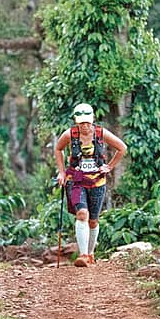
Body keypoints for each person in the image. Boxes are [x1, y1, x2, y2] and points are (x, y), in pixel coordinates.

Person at [54, 102, 127, 267]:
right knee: (82, 214)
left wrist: (109, 167)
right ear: (76, 121)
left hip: (97, 182)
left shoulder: (101, 133)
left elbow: (122, 148)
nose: (84, 126)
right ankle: (83, 255)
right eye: (81, 123)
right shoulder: (69, 134)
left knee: (93, 220)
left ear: (92, 119)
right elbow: (58, 149)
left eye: (87, 122)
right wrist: (62, 172)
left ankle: (91, 252)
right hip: (75, 181)